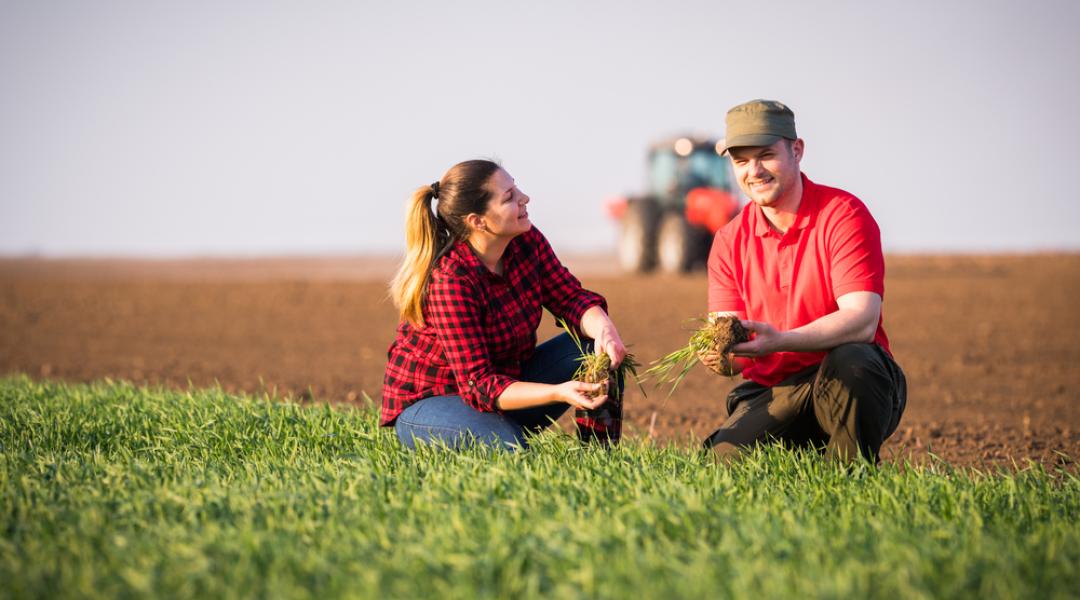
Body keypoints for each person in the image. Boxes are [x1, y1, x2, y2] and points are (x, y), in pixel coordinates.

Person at [700, 100, 907, 463]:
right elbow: (731, 344)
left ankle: (850, 479)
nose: (755, 171)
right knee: (721, 461)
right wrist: (720, 357)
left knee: (854, 361)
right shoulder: (729, 241)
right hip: (774, 390)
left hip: (846, 380)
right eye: (742, 161)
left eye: (766, 155)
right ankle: (805, 453)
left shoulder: (842, 215)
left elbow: (862, 319)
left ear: (797, 150)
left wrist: (781, 341)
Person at [382, 159, 628, 450]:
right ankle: (502, 435)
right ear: (478, 221)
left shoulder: (526, 242)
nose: (524, 198)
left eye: (516, 188)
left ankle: (599, 457)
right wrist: (559, 393)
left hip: (504, 384)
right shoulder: (451, 280)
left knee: (596, 350)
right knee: (512, 451)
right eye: (509, 197)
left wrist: (605, 329)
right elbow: (479, 385)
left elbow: (570, 298)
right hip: (433, 402)